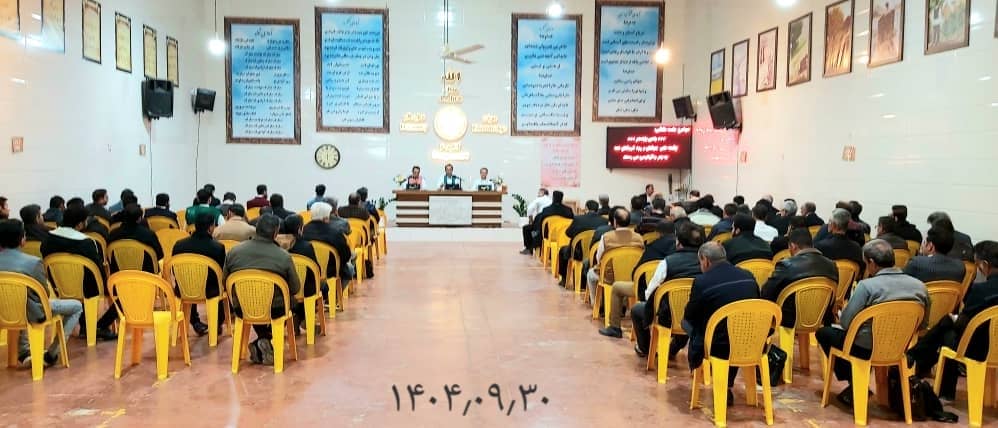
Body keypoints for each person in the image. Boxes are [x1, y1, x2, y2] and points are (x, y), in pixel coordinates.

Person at [816, 239, 929, 406]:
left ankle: (855, 381)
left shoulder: (867, 286)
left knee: (824, 333)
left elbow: (846, 322)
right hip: (898, 348)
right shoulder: (920, 287)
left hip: (865, 348)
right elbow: (923, 324)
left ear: (872, 263)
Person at [909, 241, 998, 399]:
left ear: (985, 264)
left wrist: (953, 319)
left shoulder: (981, 290)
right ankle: (917, 360)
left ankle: (920, 364)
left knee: (948, 333)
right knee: (947, 325)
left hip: (982, 348)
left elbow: (963, 324)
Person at [0, 219, 83, 367]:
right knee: (76, 306)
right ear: (22, 239)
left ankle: (24, 352)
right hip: (30, 312)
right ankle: (51, 354)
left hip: (3, 311)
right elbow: (43, 293)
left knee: (22, 302)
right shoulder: (33, 262)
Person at [682, 242, 761, 395]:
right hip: (751, 341)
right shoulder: (748, 276)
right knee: (731, 329)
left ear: (705, 260)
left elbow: (690, 315)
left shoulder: (702, 282)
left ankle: (716, 379)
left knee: (688, 323)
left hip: (719, 344)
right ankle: (727, 384)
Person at [224, 214, 301, 365]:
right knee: (290, 303)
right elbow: (295, 288)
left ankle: (262, 339)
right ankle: (266, 338)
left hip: (241, 307)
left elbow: (224, 281)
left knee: (254, 302)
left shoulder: (233, 252)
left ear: (256, 229)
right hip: (274, 308)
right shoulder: (283, 256)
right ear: (275, 233)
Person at [41, 206, 116, 341]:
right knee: (118, 292)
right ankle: (100, 326)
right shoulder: (86, 243)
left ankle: (87, 327)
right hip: (87, 289)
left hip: (59, 286)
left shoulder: (47, 240)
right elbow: (97, 269)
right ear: (80, 224)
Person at [630, 222, 703, 356]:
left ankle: (645, 349)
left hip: (669, 316)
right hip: (697, 316)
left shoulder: (668, 262)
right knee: (686, 313)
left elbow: (649, 293)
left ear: (678, 242)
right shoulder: (706, 263)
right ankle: (672, 349)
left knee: (636, 310)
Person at [761, 229, 838, 327]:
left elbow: (766, 293)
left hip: (787, 322)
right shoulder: (832, 266)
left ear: (793, 246)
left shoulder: (786, 265)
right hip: (819, 319)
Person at [171, 212, 226, 337]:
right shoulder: (218, 247)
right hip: (209, 290)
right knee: (221, 287)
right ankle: (216, 323)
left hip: (184, 288)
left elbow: (174, 269)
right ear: (211, 227)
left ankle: (194, 321)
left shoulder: (179, 245)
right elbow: (221, 273)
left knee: (190, 283)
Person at [281, 214, 333, 328]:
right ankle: (303, 317)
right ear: (300, 229)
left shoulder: (278, 247)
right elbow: (316, 270)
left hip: (284, 289)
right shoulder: (306, 246)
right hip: (304, 288)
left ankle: (296, 317)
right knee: (323, 287)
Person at [587, 207, 644, 312]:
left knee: (591, 274)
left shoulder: (606, 237)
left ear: (614, 222)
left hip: (610, 277)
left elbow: (599, 258)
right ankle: (624, 305)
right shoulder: (639, 238)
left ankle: (598, 306)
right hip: (632, 276)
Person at [557, 200, 607, 286]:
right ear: (597, 209)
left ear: (586, 208)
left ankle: (564, 280)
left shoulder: (578, 219)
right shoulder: (604, 221)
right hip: (595, 253)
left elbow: (568, 233)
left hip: (578, 253)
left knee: (562, 250)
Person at [303, 202, 355, 284]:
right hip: (331, 272)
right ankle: (339, 290)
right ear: (326, 218)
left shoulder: (303, 230)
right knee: (350, 269)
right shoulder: (335, 233)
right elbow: (346, 255)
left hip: (309, 273)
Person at [108, 204, 163, 273]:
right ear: (139, 219)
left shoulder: (113, 234)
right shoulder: (149, 235)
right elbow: (159, 255)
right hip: (146, 275)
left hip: (119, 275)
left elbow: (109, 257)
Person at [524, 191, 575, 255]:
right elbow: (572, 222)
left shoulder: (546, 210)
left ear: (553, 198)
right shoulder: (568, 210)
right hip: (564, 235)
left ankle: (529, 248)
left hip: (548, 235)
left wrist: (535, 232)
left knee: (528, 229)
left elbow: (540, 224)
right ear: (562, 198)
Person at [519, 189, 552, 255]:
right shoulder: (551, 200)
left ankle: (529, 248)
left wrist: (530, 219)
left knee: (526, 228)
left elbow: (529, 209)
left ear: (542, 193)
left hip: (540, 222)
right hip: (550, 225)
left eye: (539, 193)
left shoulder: (539, 199)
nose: (538, 194)